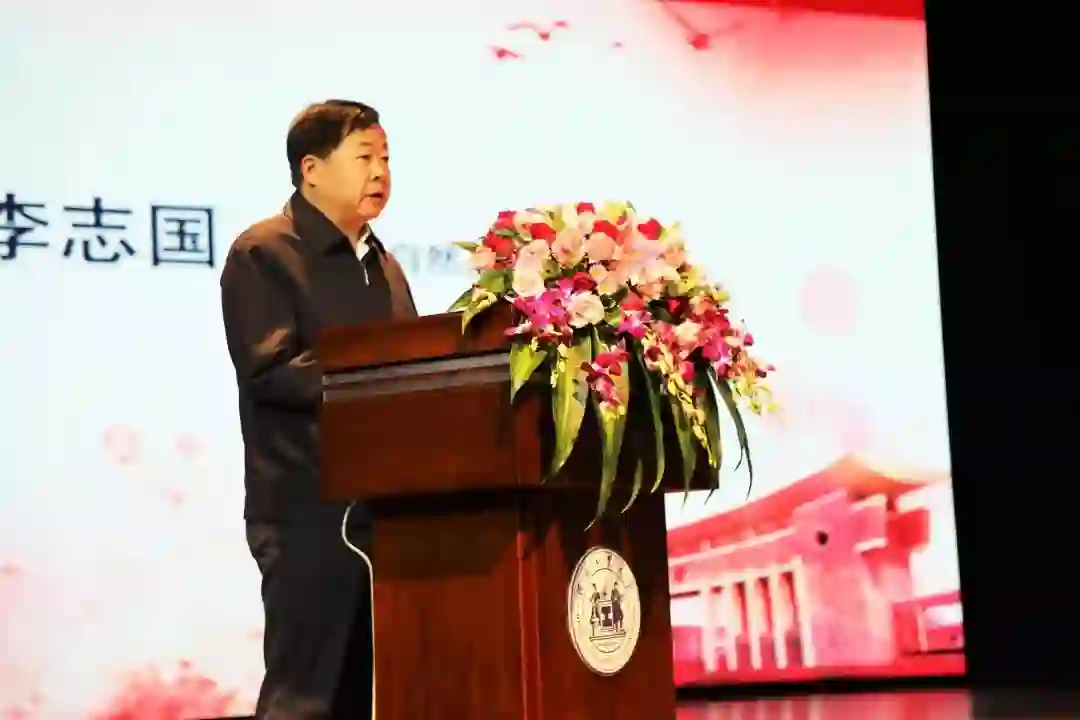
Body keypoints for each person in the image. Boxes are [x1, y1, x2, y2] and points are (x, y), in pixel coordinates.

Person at [220, 99, 418, 719]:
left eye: (386, 158)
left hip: (388, 515)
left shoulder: (384, 264)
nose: (380, 172)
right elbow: (272, 371)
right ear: (311, 169)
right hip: (308, 514)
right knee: (307, 698)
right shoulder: (264, 252)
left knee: (373, 697)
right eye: (364, 157)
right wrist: (378, 381)